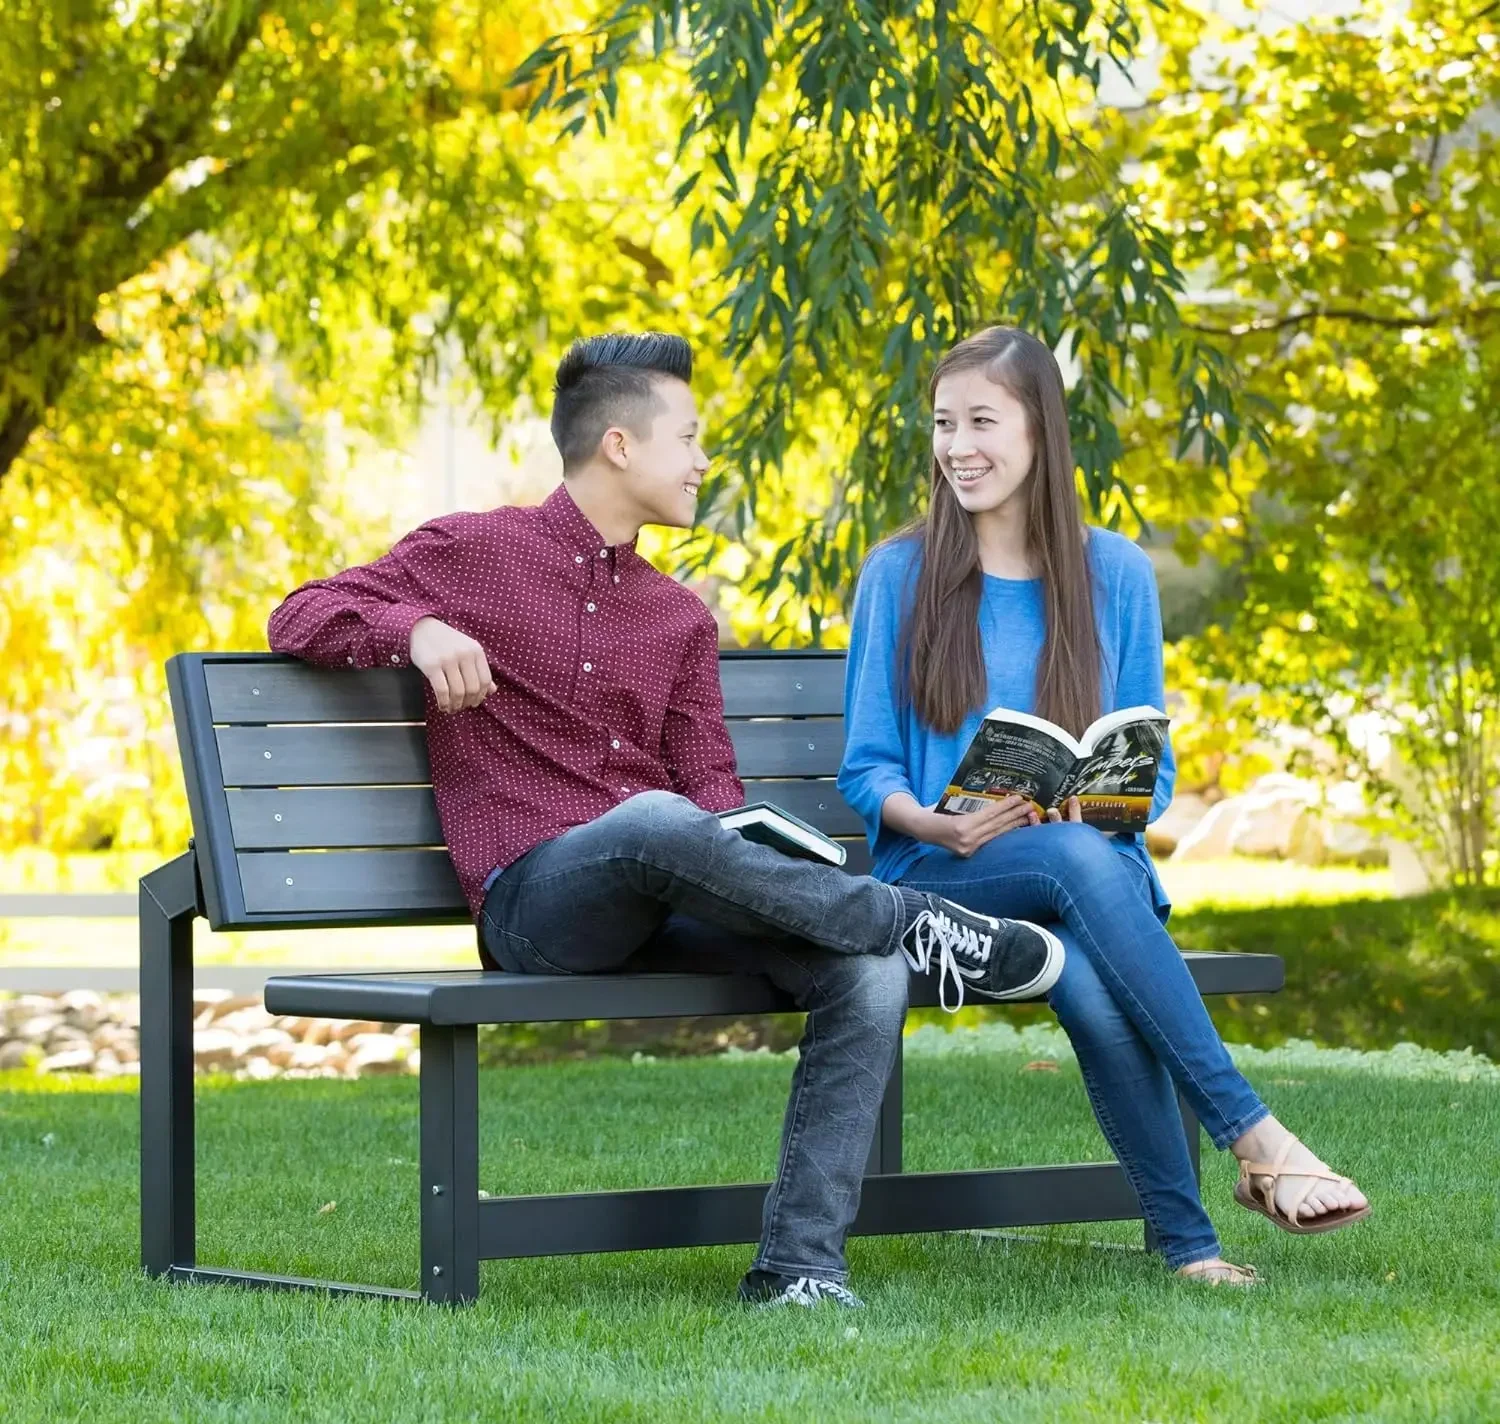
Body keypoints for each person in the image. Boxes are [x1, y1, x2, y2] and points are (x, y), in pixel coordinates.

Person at [267, 330, 1065, 1309]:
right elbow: (301, 614)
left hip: (670, 892)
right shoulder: (470, 554)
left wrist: (758, 857)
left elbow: (711, 794)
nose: (702, 462)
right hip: (537, 907)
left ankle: (800, 1269)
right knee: (653, 820)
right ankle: (913, 921)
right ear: (618, 445)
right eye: (688, 438)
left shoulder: (679, 619)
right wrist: (417, 628)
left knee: (859, 970)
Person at [839, 325, 1370, 1286]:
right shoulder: (900, 574)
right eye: (944, 424)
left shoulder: (1115, 574)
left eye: (982, 422)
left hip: (1083, 868)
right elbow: (868, 768)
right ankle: (1256, 1137)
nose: (958, 446)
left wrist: (1097, 808)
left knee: (1086, 965)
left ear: (1041, 430)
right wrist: (939, 821)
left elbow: (1152, 777)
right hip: (937, 873)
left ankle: (1187, 1244)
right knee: (1084, 871)